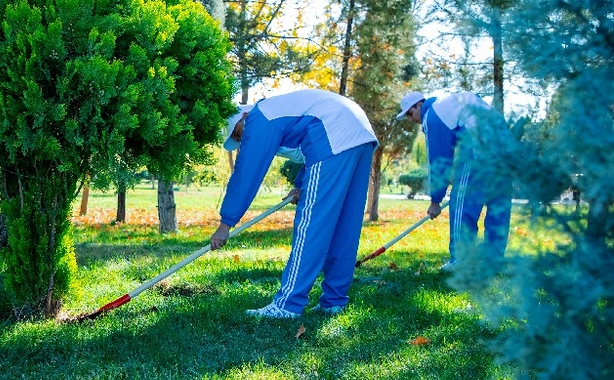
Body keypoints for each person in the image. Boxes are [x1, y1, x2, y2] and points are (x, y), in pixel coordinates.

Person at [211, 89, 378, 319]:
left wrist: (226, 223)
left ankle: (288, 304)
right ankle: (334, 301)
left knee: (311, 226)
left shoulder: (259, 118)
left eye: (237, 135)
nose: (240, 142)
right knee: (344, 227)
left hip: (333, 132)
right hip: (360, 133)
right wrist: (302, 184)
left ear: (243, 118)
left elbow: (246, 173)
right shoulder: (278, 110)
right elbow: (309, 150)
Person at [396, 90, 513, 270]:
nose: (412, 120)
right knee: (499, 206)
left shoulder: (432, 115)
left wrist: (435, 201)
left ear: (420, 104)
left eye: (411, 114)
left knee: (461, 204)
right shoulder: (449, 103)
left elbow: (438, 161)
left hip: (479, 149)